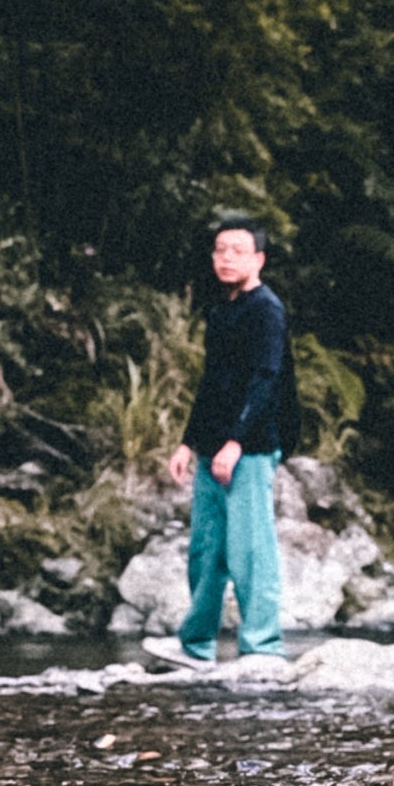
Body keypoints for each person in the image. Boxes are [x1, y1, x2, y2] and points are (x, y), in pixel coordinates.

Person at [147, 214, 296, 665]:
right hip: (215, 445)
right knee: (206, 549)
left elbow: (265, 380)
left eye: (238, 250)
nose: (227, 258)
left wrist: (236, 441)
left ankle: (263, 647)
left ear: (259, 259)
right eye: (220, 250)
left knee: (251, 549)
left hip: (249, 448)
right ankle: (196, 644)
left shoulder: (266, 310)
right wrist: (188, 443)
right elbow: (212, 384)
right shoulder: (221, 310)